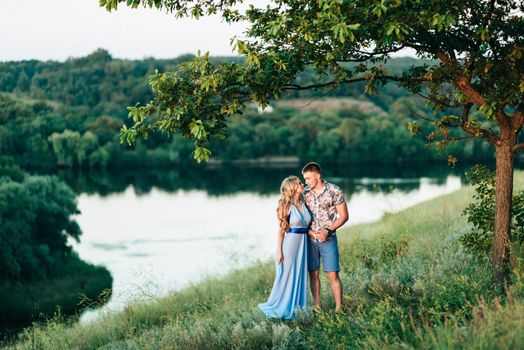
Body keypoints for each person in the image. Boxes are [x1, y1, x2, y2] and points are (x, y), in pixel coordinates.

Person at [259, 176, 312, 319]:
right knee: (286, 278)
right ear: (292, 187)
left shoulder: (303, 202)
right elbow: (281, 231)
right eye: (299, 183)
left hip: (302, 246)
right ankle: (280, 309)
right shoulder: (286, 206)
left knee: (299, 277)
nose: (302, 184)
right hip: (289, 247)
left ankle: (298, 309)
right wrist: (280, 252)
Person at [302, 162, 348, 311]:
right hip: (309, 240)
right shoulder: (304, 194)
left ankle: (339, 309)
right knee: (313, 274)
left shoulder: (334, 191)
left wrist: (328, 230)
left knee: (332, 274)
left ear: (318, 175)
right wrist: (310, 232)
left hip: (328, 239)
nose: (306, 182)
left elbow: (344, 216)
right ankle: (317, 307)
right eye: (305, 179)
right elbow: (299, 218)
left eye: (308, 178)